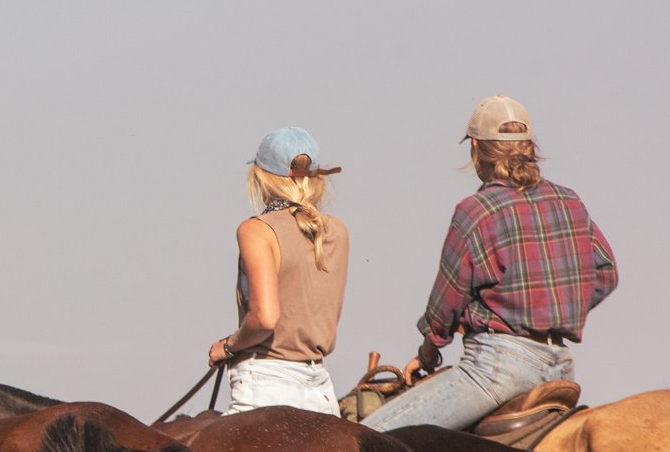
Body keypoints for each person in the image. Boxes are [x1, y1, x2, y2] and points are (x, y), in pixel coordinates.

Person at [366, 96, 617, 432]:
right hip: (561, 367)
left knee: (370, 439)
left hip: (498, 369)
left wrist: (428, 353)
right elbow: (606, 273)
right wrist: (554, 306)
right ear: (530, 147)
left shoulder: (476, 210)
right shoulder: (569, 200)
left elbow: (446, 305)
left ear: (475, 149)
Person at [206, 127, 349, 415]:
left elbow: (265, 317)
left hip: (265, 384)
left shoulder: (256, 230)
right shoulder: (338, 230)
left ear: (261, 177)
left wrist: (229, 346)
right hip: (320, 390)